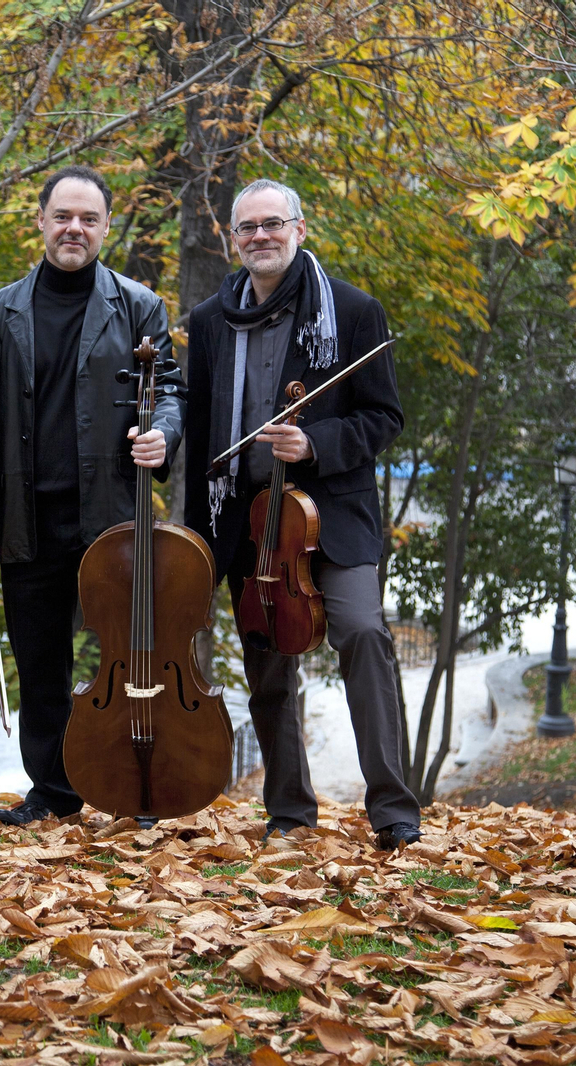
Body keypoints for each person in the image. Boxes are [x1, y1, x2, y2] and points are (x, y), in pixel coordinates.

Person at [181, 178, 422, 850]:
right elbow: (201, 435)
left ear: (299, 228)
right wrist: (201, 540)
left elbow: (383, 416)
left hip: (333, 514)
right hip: (250, 521)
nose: (261, 236)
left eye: (273, 224)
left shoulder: (354, 310)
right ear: (233, 238)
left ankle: (393, 810)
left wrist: (315, 443)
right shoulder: (210, 320)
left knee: (363, 633)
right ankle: (289, 811)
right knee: (267, 661)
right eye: (248, 227)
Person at [0, 165, 182, 826]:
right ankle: (53, 794)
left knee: (129, 661)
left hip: (111, 518)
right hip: (26, 519)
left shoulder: (139, 306)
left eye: (89, 218)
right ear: (40, 220)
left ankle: (135, 790)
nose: (74, 228)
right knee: (41, 667)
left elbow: (170, 391)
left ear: (106, 227)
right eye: (62, 216)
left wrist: (163, 435)